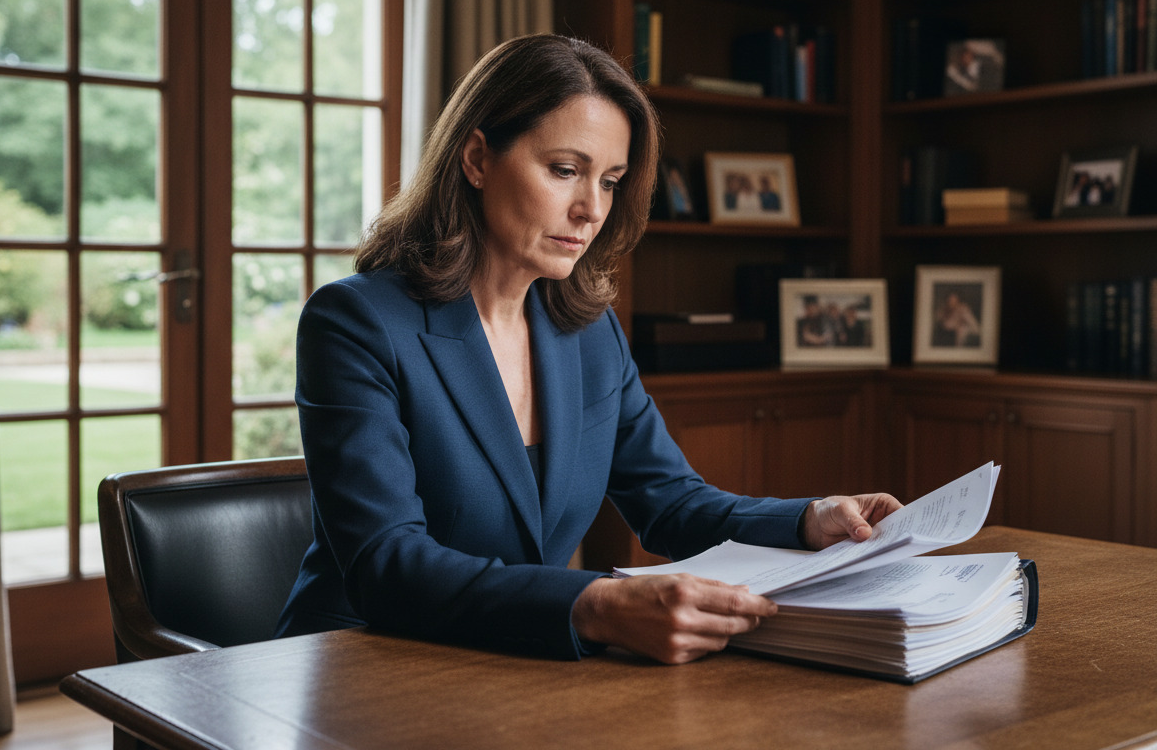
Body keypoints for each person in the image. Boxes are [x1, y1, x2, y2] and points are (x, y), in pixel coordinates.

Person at [274, 34, 902, 665]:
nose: (591, 209)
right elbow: (387, 563)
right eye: (565, 171)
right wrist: (594, 604)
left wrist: (809, 521)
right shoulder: (356, 322)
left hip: (509, 666)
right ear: (476, 159)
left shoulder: (588, 331)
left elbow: (672, 504)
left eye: (610, 180)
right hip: (361, 663)